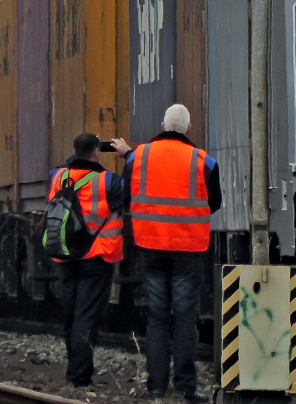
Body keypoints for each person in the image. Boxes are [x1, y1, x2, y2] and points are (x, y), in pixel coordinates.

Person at [127, 104, 221, 403]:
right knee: (184, 319)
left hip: (150, 247)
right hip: (187, 250)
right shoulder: (204, 162)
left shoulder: (138, 156)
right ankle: (185, 388)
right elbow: (214, 202)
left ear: (162, 124)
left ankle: (156, 388)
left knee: (157, 318)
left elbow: (126, 195)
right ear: (188, 129)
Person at [47, 132, 129, 388]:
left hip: (65, 254)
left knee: (70, 314)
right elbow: (129, 195)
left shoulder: (57, 176)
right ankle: (79, 377)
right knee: (87, 315)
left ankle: (75, 370)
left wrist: (82, 154)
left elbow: (69, 164)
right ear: (97, 152)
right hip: (97, 255)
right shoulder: (109, 181)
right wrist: (126, 155)